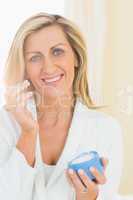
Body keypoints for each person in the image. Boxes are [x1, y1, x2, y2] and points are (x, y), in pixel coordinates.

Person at [0, 12, 123, 200]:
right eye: (34, 58)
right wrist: (28, 132)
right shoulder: (5, 124)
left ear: (76, 58)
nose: (48, 68)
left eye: (57, 52)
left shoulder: (106, 129)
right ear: (25, 68)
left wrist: (89, 198)